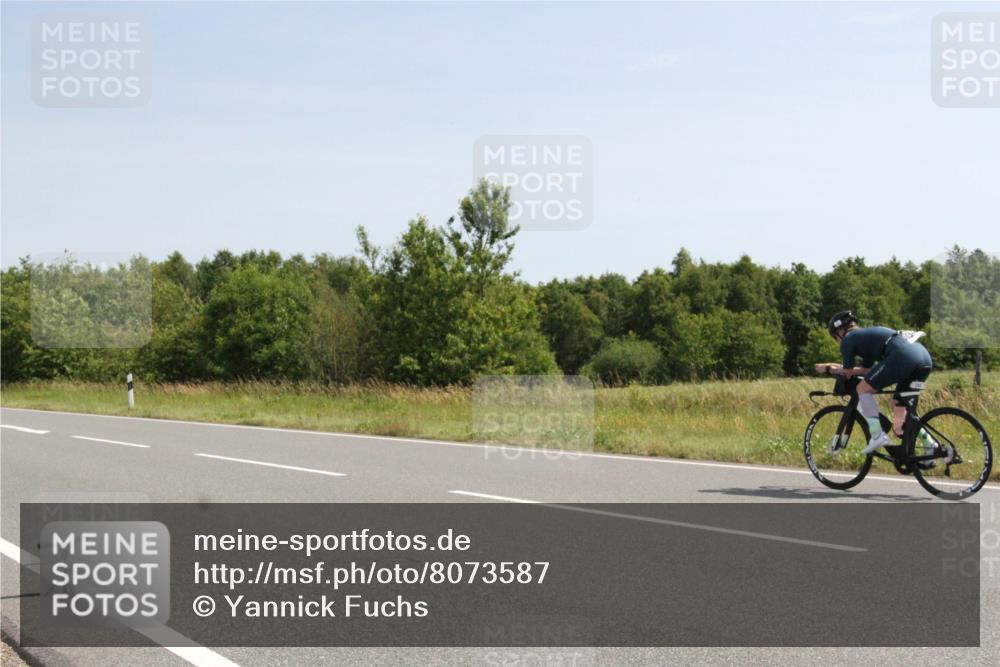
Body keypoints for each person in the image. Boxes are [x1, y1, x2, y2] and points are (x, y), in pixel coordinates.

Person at [814, 310, 936, 457]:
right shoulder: (865, 338)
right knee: (899, 411)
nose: (837, 341)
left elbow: (847, 373)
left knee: (862, 389)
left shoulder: (849, 339)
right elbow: (866, 371)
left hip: (903, 356)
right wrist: (839, 368)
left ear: (840, 331)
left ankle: (877, 435)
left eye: (835, 337)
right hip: (923, 358)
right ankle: (931, 445)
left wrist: (827, 368)